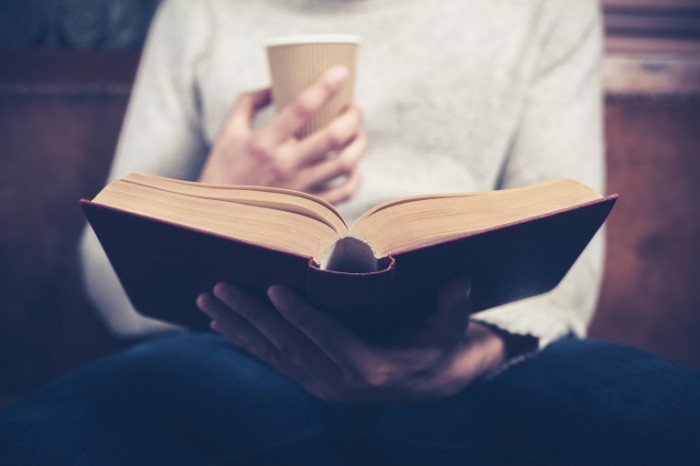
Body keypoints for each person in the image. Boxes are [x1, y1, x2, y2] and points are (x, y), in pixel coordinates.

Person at [1, 0, 699, 464]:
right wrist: (226, 189)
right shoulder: (200, 8)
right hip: (239, 349)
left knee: (672, 420)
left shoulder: (544, 7)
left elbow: (568, 257)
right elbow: (106, 282)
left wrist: (474, 358)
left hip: (476, 354)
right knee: (40, 440)